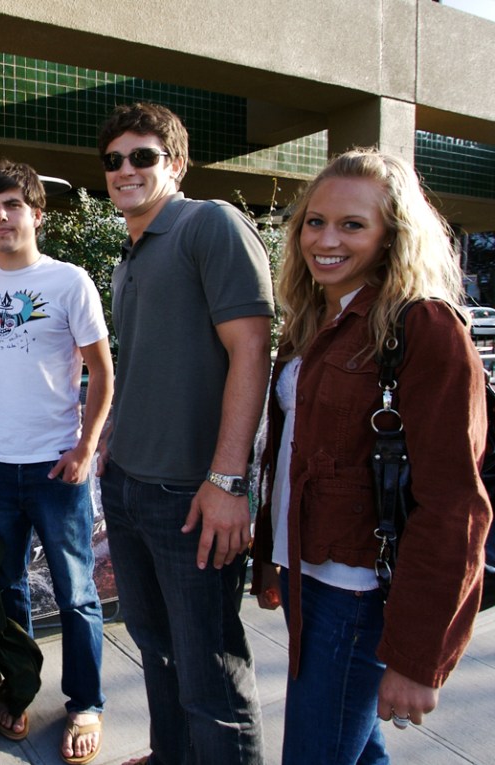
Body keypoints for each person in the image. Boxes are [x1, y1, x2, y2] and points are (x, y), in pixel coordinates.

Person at [250, 149, 492, 764]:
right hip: (312, 574)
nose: (325, 240)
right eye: (314, 221)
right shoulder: (312, 319)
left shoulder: (425, 327)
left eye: (352, 225)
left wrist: (418, 659)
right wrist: (273, 557)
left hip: (359, 595)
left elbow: (455, 505)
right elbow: (293, 459)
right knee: (356, 752)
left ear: (392, 236)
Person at [95, 102, 272, 765]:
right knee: (158, 649)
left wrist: (229, 482)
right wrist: (113, 440)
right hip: (130, 488)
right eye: (113, 160)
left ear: (176, 161)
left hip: (193, 496)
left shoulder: (209, 224)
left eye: (143, 156)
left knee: (211, 673)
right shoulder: (130, 252)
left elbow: (251, 351)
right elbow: (147, 363)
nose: (125, 170)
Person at [0, 159, 114, 765]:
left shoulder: (69, 282)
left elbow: (102, 372)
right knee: (7, 585)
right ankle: (18, 690)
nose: (0, 216)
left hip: (56, 468)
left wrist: (86, 446)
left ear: (37, 215)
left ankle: (87, 703)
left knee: (77, 594)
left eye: (12, 206)